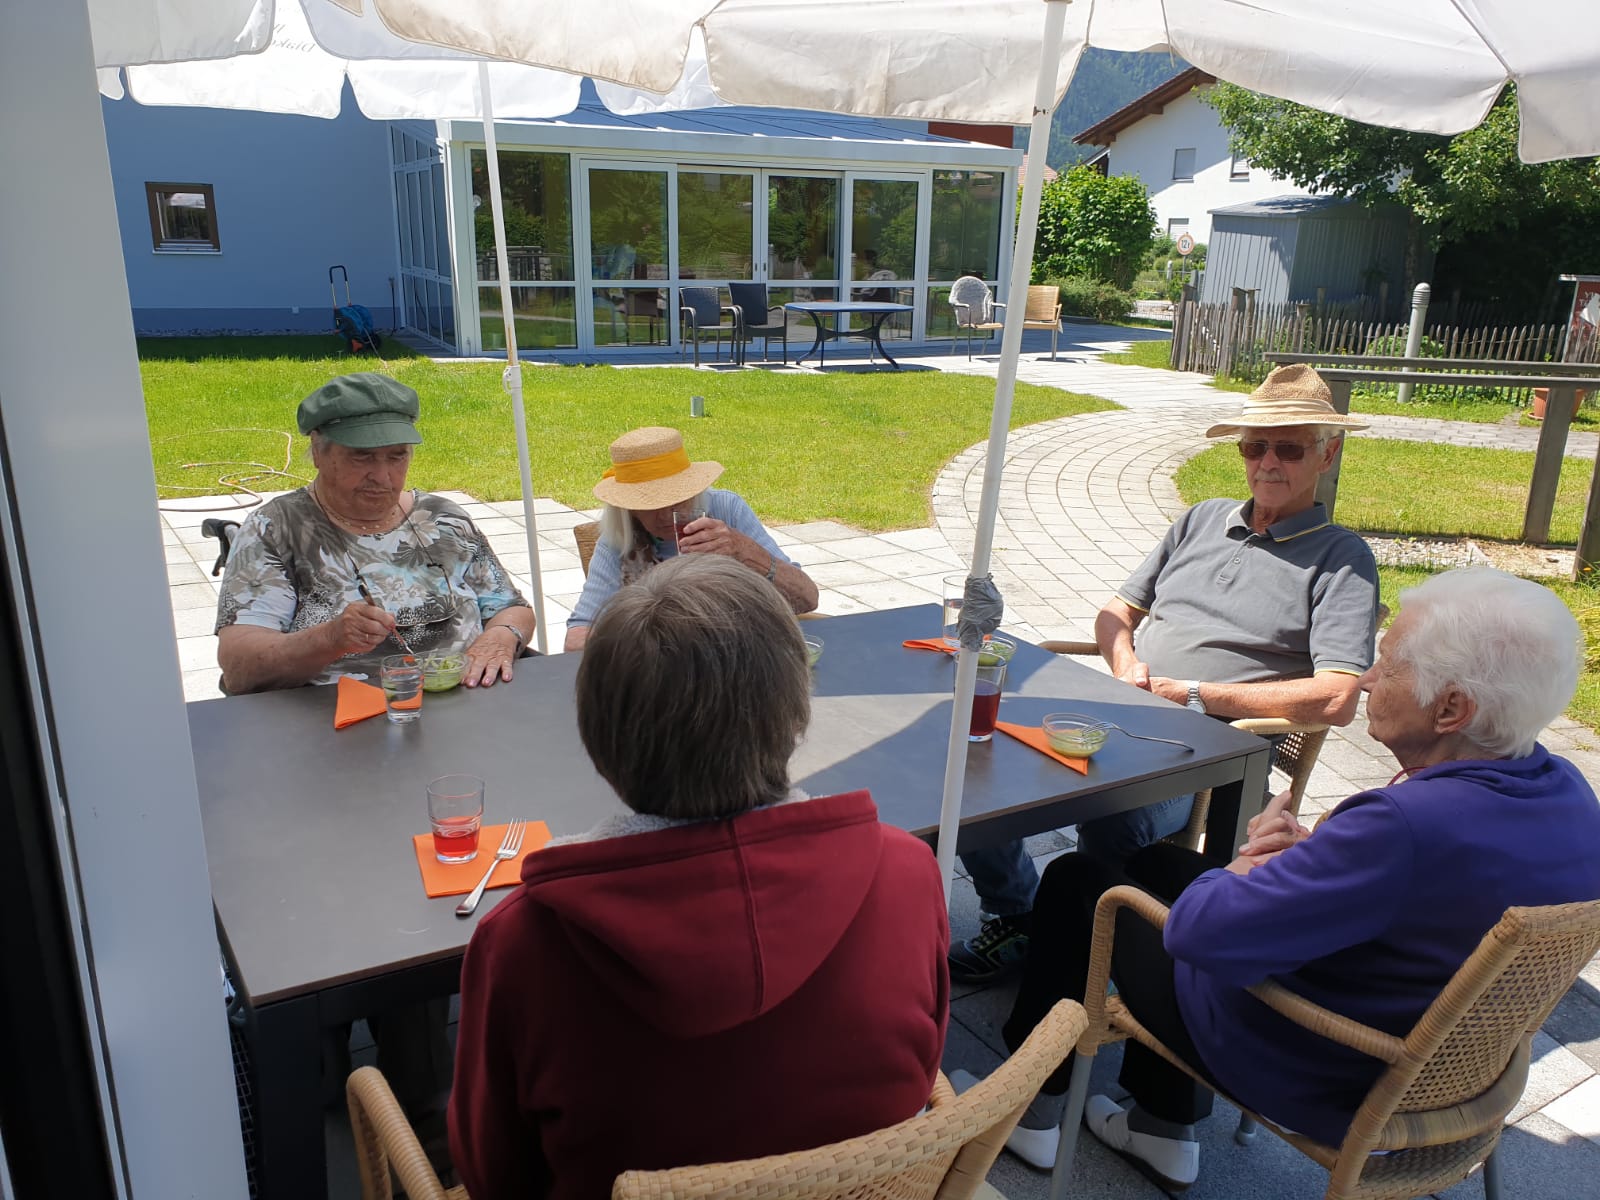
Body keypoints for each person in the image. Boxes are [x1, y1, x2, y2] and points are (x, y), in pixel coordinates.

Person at [980, 568, 1600, 1188]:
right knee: (1154, 864)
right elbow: (1433, 899)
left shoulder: (1402, 826)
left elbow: (1200, 936)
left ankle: (1023, 1115)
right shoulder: (1571, 797)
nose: (1366, 679)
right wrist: (1323, 864)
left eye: (1387, 665)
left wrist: (1249, 862)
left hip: (1309, 1061)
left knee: (1077, 883)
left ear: (1452, 708)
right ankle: (1160, 1124)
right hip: (1443, 1064)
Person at [450, 555, 949, 1199]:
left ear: (599, 742)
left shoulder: (523, 940)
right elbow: (921, 1064)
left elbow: (492, 1175)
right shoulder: (907, 871)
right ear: (796, 715)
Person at [951, 363, 1378, 983]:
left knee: (1116, 816)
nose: (1268, 462)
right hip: (1119, 705)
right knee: (975, 762)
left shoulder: (1342, 557)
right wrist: (1125, 662)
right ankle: (1018, 916)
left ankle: (1090, 955)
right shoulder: (1201, 519)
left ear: (1328, 454)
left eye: (1288, 447)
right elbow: (1115, 612)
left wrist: (1196, 695)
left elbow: (1338, 698)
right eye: (1255, 446)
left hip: (1201, 752)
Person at [216, 372, 535, 694]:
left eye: (397, 456)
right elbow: (240, 669)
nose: (382, 476)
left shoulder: (444, 519)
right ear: (317, 450)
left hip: (466, 704)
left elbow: (512, 607)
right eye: (362, 456)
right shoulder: (276, 529)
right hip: (334, 719)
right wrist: (329, 639)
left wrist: (501, 636)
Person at [564, 426, 819, 651]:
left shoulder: (726, 510)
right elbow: (576, 639)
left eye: (677, 497)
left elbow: (806, 598)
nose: (666, 514)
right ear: (628, 508)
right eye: (650, 503)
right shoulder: (620, 539)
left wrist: (745, 551)